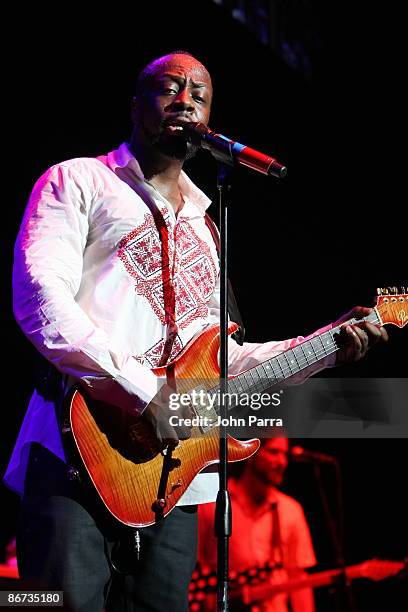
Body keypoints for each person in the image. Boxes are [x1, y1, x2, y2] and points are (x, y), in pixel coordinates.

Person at [4, 50, 387, 611]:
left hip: (177, 484)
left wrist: (327, 346)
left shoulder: (208, 228)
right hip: (76, 455)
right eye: (169, 88)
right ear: (136, 105)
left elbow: (224, 364)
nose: (185, 100)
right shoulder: (78, 181)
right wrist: (145, 393)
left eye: (199, 94)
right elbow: (41, 301)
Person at [197, 437, 316, 612]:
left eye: (285, 455)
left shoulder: (291, 511)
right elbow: (193, 566)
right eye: (274, 452)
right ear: (251, 452)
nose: (282, 462)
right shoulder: (213, 504)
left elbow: (298, 578)